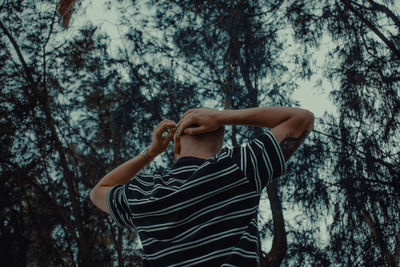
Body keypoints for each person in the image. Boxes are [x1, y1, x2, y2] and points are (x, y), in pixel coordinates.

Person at [90, 106, 314, 266]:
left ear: (175, 143)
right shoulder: (238, 167)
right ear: (219, 142)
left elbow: (98, 192)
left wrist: (151, 152)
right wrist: (221, 116)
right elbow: (302, 118)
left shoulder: (145, 194)